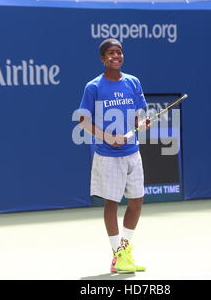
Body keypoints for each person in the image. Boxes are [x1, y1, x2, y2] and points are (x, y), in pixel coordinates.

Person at [78, 38, 150, 274]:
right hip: (108, 155)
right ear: (102, 58)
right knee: (112, 203)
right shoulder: (94, 87)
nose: (116, 56)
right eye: (110, 53)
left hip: (132, 152)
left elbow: (140, 113)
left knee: (136, 201)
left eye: (119, 52)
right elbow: (83, 119)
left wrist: (141, 123)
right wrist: (107, 136)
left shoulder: (133, 82)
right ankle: (116, 255)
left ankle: (125, 251)